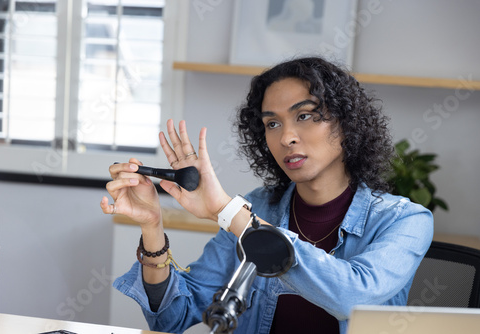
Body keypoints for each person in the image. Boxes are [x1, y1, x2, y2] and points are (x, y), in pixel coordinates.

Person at [100, 57, 433, 334]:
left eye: (304, 116)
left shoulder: (405, 221)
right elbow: (172, 318)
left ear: (346, 123)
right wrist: (152, 228)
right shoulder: (258, 207)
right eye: (272, 124)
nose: (286, 137)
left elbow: (352, 299)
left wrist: (228, 211)